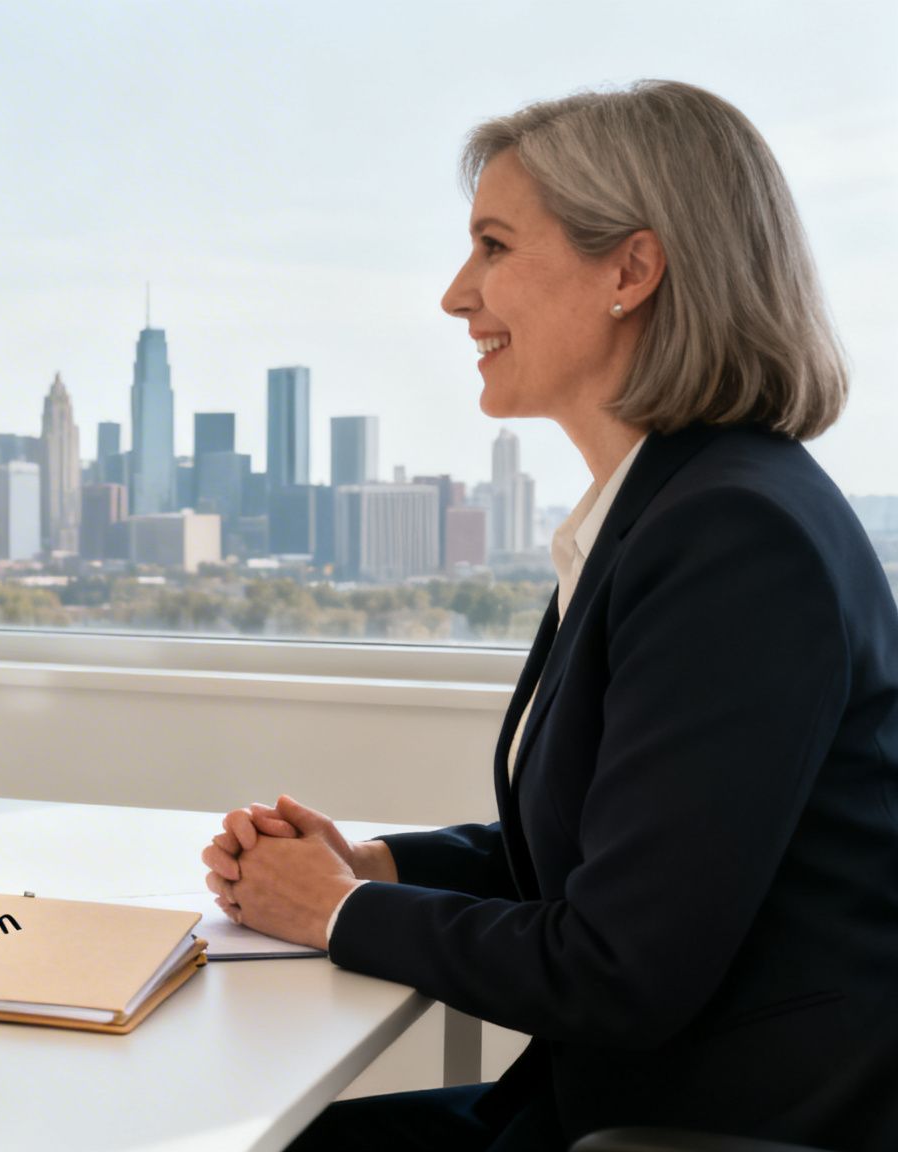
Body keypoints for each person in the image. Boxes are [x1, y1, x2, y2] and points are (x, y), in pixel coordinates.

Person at [203, 82, 898, 1150]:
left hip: (702, 1127)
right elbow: (622, 844)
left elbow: (618, 968)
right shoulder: (670, 505)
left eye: (491, 246)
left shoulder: (731, 541)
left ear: (630, 270)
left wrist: (332, 914)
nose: (452, 294)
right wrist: (373, 868)